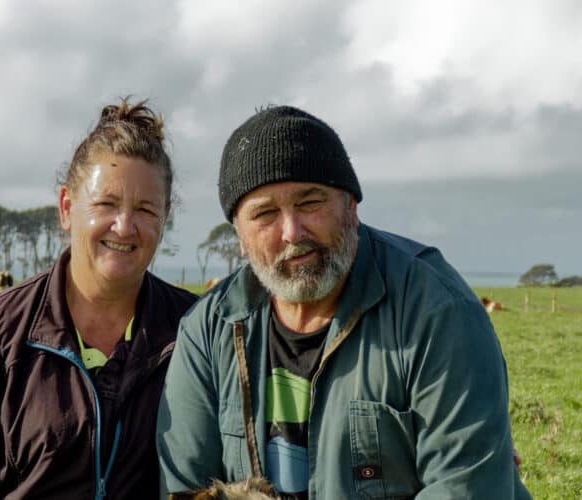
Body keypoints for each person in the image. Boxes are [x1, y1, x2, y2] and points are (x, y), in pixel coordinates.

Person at [156, 105, 531, 499]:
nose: (292, 231)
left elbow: (464, 487)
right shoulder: (207, 329)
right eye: (265, 214)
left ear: (351, 205)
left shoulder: (437, 312)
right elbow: (185, 487)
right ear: (240, 236)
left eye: (310, 202)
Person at [0, 98, 197, 499]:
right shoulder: (3, 331)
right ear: (67, 208)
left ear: (164, 220)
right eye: (106, 204)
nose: (125, 225)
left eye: (146, 209)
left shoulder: (194, 331)